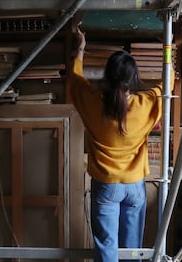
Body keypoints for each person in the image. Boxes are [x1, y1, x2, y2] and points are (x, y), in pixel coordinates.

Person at [68, 24, 175, 262]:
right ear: (134, 78)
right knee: (132, 250)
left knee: (107, 248)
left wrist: (81, 48)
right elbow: (168, 84)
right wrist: (168, 50)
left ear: (107, 76)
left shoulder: (93, 102)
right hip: (135, 185)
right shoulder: (145, 103)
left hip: (106, 184)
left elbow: (74, 79)